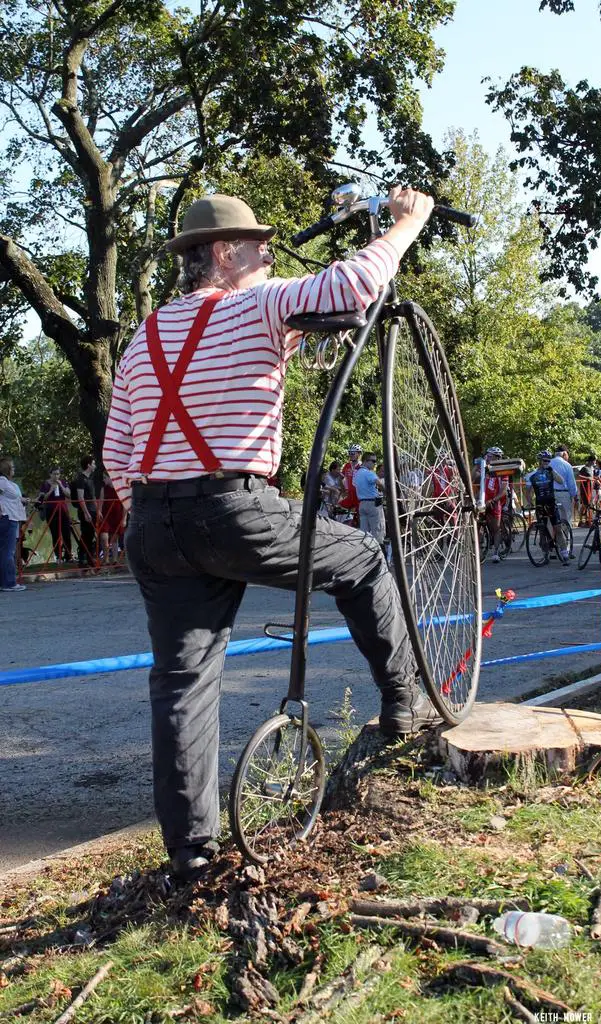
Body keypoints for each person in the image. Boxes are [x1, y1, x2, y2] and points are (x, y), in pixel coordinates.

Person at [103, 186, 440, 879]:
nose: (270, 256)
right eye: (259, 248)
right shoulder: (257, 303)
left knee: (181, 683)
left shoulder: (144, 336)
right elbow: (351, 283)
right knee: (366, 560)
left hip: (153, 520)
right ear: (224, 255)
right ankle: (405, 709)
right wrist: (408, 221)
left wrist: (158, 519)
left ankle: (191, 857)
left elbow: (116, 453)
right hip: (232, 507)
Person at [525, 450, 569, 565]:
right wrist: (529, 503)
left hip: (551, 503)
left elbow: (561, 481)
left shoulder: (550, 472)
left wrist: (552, 470)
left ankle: (564, 553)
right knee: (542, 531)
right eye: (545, 461)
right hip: (540, 504)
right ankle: (546, 554)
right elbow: (528, 492)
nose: (547, 463)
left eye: (549, 461)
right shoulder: (532, 475)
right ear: (539, 461)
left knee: (558, 529)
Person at [0, 456, 28, 592]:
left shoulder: (11, 484)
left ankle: (4, 581)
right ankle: (9, 582)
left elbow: (16, 498)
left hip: (13, 518)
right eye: (12, 467)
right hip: (7, 517)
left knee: (5, 551)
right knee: (8, 551)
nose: (14, 469)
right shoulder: (2, 482)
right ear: (7, 469)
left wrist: (27, 500)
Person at [37, 466, 73, 562]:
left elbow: (69, 495)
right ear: (50, 474)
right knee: (55, 535)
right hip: (51, 511)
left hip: (63, 511)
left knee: (66, 534)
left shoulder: (63, 482)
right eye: (54, 474)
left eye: (58, 474)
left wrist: (61, 485)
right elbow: (43, 498)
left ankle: (68, 556)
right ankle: (58, 556)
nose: (56, 476)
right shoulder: (45, 484)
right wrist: (51, 490)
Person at [72, 455, 98, 568]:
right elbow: (81, 497)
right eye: (93, 463)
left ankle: (89, 557)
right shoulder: (81, 479)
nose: (95, 465)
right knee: (86, 534)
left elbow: (93, 496)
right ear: (88, 465)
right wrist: (86, 513)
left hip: (92, 510)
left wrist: (98, 510)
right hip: (85, 511)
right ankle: (82, 557)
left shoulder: (90, 479)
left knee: (91, 534)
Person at [481, 447, 505, 563]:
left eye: (490, 456)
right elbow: (473, 478)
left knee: (496, 529)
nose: (488, 458)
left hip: (496, 502)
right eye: (487, 456)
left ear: (497, 457)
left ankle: (496, 552)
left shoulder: (502, 472)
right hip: (483, 502)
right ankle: (479, 549)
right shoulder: (484, 469)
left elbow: (503, 491)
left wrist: (494, 500)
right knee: (479, 525)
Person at [355, 452, 385, 545]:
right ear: (365, 461)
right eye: (373, 461)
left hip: (362, 504)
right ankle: (380, 556)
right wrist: (388, 492)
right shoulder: (368, 473)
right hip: (373, 504)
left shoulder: (357, 473)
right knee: (378, 532)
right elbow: (379, 484)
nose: (375, 463)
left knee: (364, 534)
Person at [98, 471, 126, 564]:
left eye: (105, 477)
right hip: (106, 515)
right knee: (104, 537)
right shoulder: (104, 489)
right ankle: (105, 558)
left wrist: (124, 518)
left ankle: (114, 559)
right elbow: (101, 502)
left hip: (117, 515)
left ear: (111, 477)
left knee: (114, 538)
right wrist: (99, 511)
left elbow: (125, 504)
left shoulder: (119, 488)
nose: (103, 480)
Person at [550, 446, 578, 534]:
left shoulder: (548, 463)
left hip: (551, 494)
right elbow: (571, 483)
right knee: (566, 518)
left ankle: (552, 540)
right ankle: (567, 542)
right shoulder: (567, 465)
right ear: (565, 454)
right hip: (564, 494)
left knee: (552, 518)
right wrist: (575, 496)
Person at [338, 443, 362, 524]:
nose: (350, 455)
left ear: (358, 454)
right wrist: (343, 490)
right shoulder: (347, 465)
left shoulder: (362, 466)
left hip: (359, 496)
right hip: (349, 495)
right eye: (349, 453)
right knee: (338, 507)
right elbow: (340, 478)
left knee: (360, 519)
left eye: (353, 453)